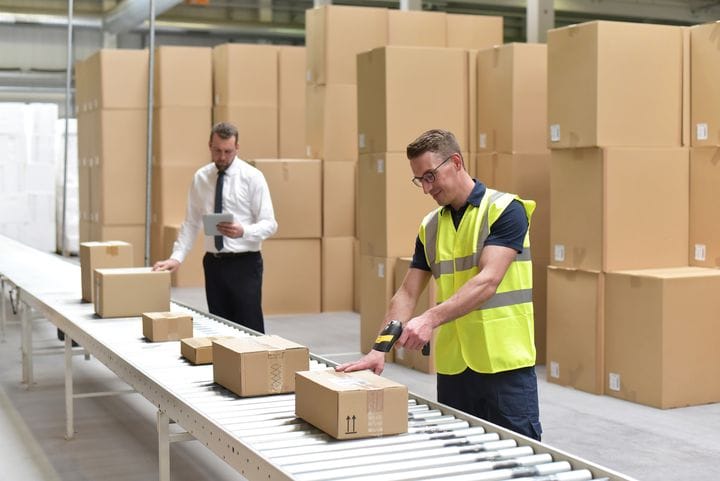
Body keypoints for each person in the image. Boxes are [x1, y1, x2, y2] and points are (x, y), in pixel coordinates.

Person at [337, 129, 542, 441]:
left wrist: (429, 318)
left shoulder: (505, 210)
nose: (426, 189)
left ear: (456, 162)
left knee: (518, 462)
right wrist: (379, 349)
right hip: (454, 368)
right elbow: (407, 292)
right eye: (420, 180)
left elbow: (488, 280)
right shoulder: (431, 226)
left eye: (430, 176)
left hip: (504, 366)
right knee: (460, 455)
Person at [153, 122, 277, 333]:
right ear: (210, 145)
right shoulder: (201, 178)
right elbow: (191, 223)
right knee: (219, 329)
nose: (222, 157)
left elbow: (270, 224)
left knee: (250, 328)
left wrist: (243, 231)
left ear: (237, 148)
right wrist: (177, 257)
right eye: (217, 151)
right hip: (214, 264)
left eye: (228, 152)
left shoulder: (252, 177)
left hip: (245, 264)